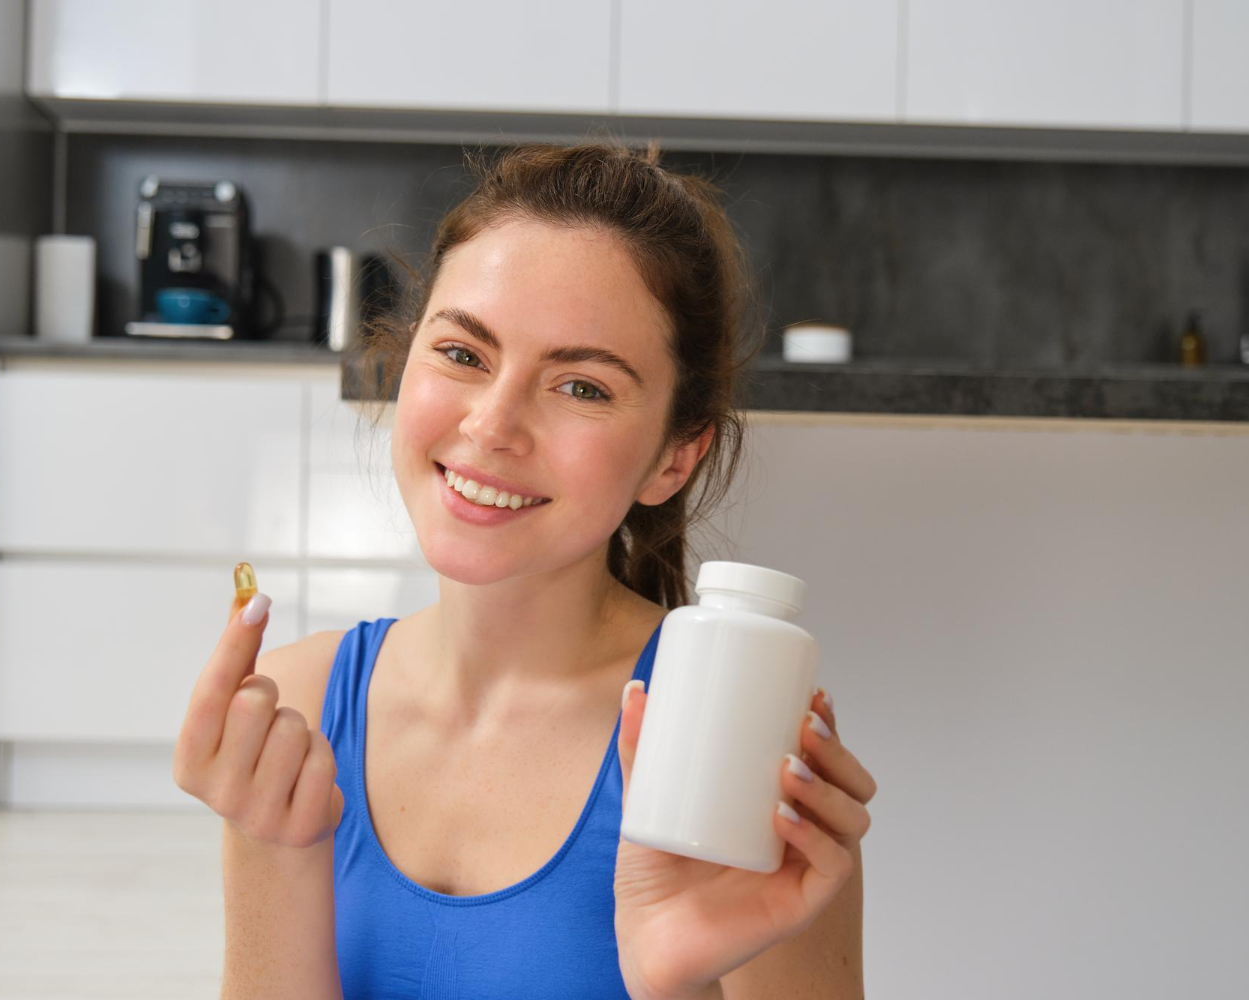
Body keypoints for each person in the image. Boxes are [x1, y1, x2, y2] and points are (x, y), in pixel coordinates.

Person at [175, 139, 878, 1000]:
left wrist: (670, 984)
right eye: (463, 354)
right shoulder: (295, 710)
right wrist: (276, 851)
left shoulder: (726, 745)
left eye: (581, 386)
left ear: (674, 457)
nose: (492, 425)